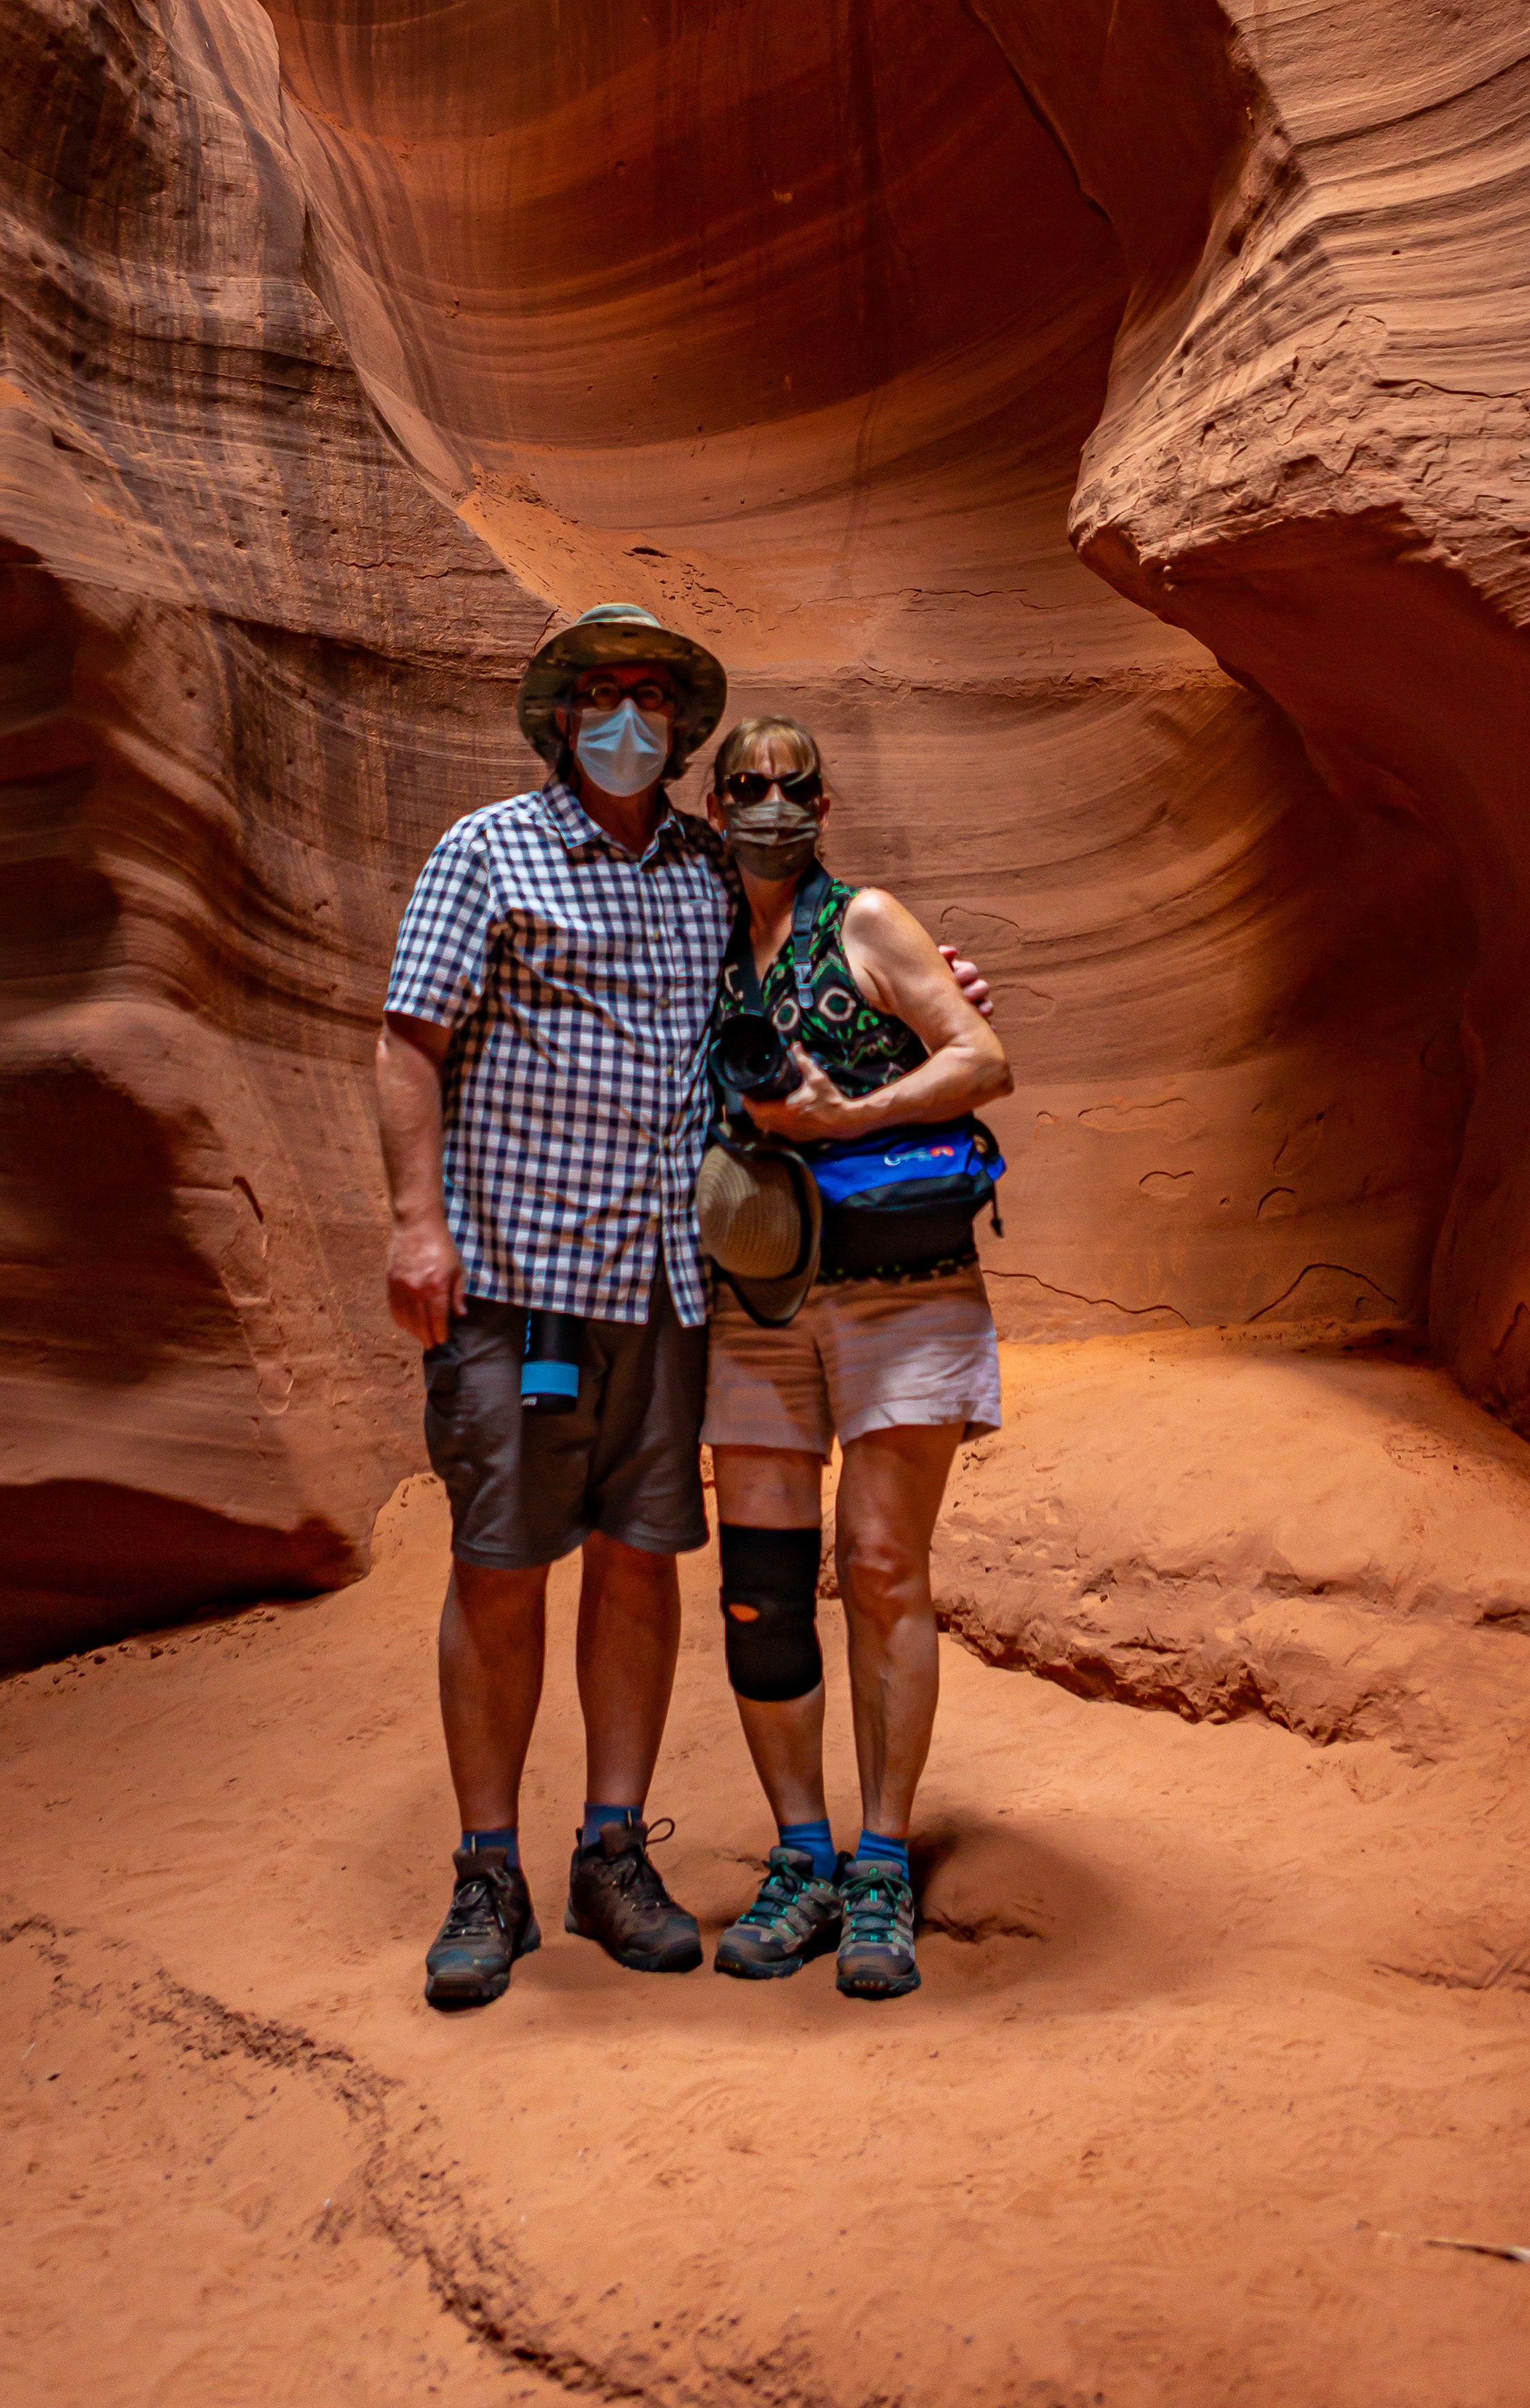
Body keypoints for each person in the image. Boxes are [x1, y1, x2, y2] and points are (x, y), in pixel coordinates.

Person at [377, 602, 735, 2013]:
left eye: (651, 695)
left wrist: (939, 986)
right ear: (561, 715)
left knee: (641, 1560)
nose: (626, 717)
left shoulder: (711, 870)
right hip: (519, 1280)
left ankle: (611, 1855)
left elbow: (812, 975)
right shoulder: (488, 851)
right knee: (501, 1564)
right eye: (602, 693)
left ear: (681, 724)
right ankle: (487, 1872)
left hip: (664, 1280)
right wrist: (416, 1224)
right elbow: (410, 1040)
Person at [699, 715, 1012, 2004]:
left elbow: (983, 1057)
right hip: (756, 1301)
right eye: (748, 787)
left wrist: (851, 1115)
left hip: (902, 1289)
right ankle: (802, 1858)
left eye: (795, 788)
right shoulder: (693, 940)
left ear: (824, 807)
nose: (773, 805)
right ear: (714, 807)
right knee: (763, 1589)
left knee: (881, 1567)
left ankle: (881, 1860)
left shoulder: (869, 921)